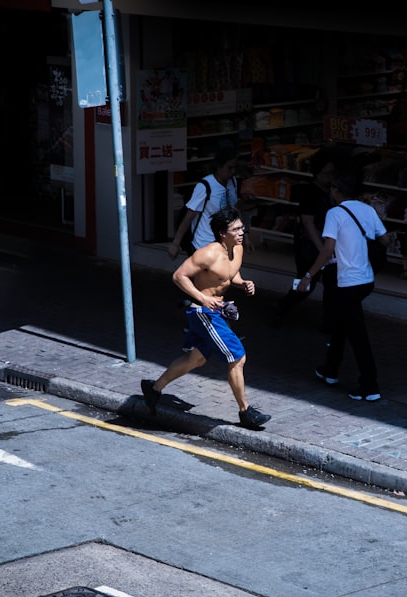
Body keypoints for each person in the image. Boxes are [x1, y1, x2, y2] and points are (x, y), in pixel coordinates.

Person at [143, 206, 271, 430]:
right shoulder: (207, 254)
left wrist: (243, 283)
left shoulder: (238, 249)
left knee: (197, 359)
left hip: (218, 310)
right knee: (237, 357)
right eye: (236, 229)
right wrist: (201, 297)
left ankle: (153, 389)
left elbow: (231, 274)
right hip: (202, 312)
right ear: (223, 233)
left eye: (242, 228)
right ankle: (245, 412)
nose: (242, 232)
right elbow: (179, 276)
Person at [297, 168, 395, 401]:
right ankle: (330, 370)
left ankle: (369, 385)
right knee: (341, 324)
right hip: (365, 279)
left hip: (347, 281)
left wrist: (309, 275)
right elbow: (384, 239)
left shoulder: (335, 214)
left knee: (357, 334)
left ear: (336, 190)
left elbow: (328, 249)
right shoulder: (368, 209)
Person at [270, 148, 337, 328]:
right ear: (317, 173)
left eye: (331, 173)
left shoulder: (331, 192)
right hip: (309, 244)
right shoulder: (310, 193)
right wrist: (322, 248)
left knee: (329, 283)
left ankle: (328, 321)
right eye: (326, 173)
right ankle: (284, 305)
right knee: (307, 281)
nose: (329, 177)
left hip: (324, 243)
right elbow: (308, 223)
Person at [168, 142, 239, 259]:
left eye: (235, 168)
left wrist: (244, 235)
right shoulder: (205, 186)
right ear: (218, 167)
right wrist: (175, 243)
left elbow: (235, 210)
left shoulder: (233, 183)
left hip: (225, 245)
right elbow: (189, 216)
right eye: (229, 168)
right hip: (204, 246)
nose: (233, 171)